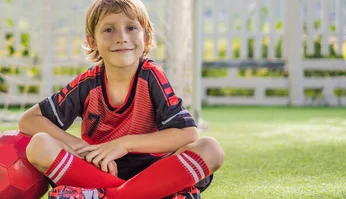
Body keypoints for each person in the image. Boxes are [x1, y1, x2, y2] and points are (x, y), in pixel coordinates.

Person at [18, 0, 224, 198]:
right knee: (39, 145)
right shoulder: (88, 83)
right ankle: (148, 195)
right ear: (92, 41)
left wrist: (124, 144)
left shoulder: (151, 76)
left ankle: (109, 195)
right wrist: (79, 148)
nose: (121, 37)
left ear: (147, 37)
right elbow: (29, 120)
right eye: (109, 30)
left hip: (154, 172)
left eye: (131, 28)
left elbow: (188, 134)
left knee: (211, 149)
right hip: (99, 170)